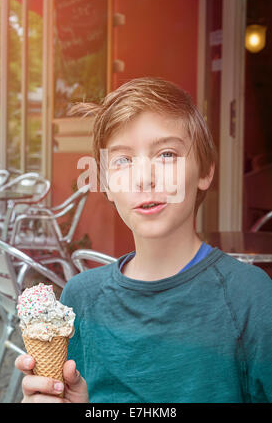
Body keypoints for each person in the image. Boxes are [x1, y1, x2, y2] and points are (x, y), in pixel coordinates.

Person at [15, 77, 272, 403]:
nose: (144, 177)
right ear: (106, 183)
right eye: (122, 160)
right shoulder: (80, 299)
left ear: (206, 170)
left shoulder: (251, 299)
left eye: (166, 154)